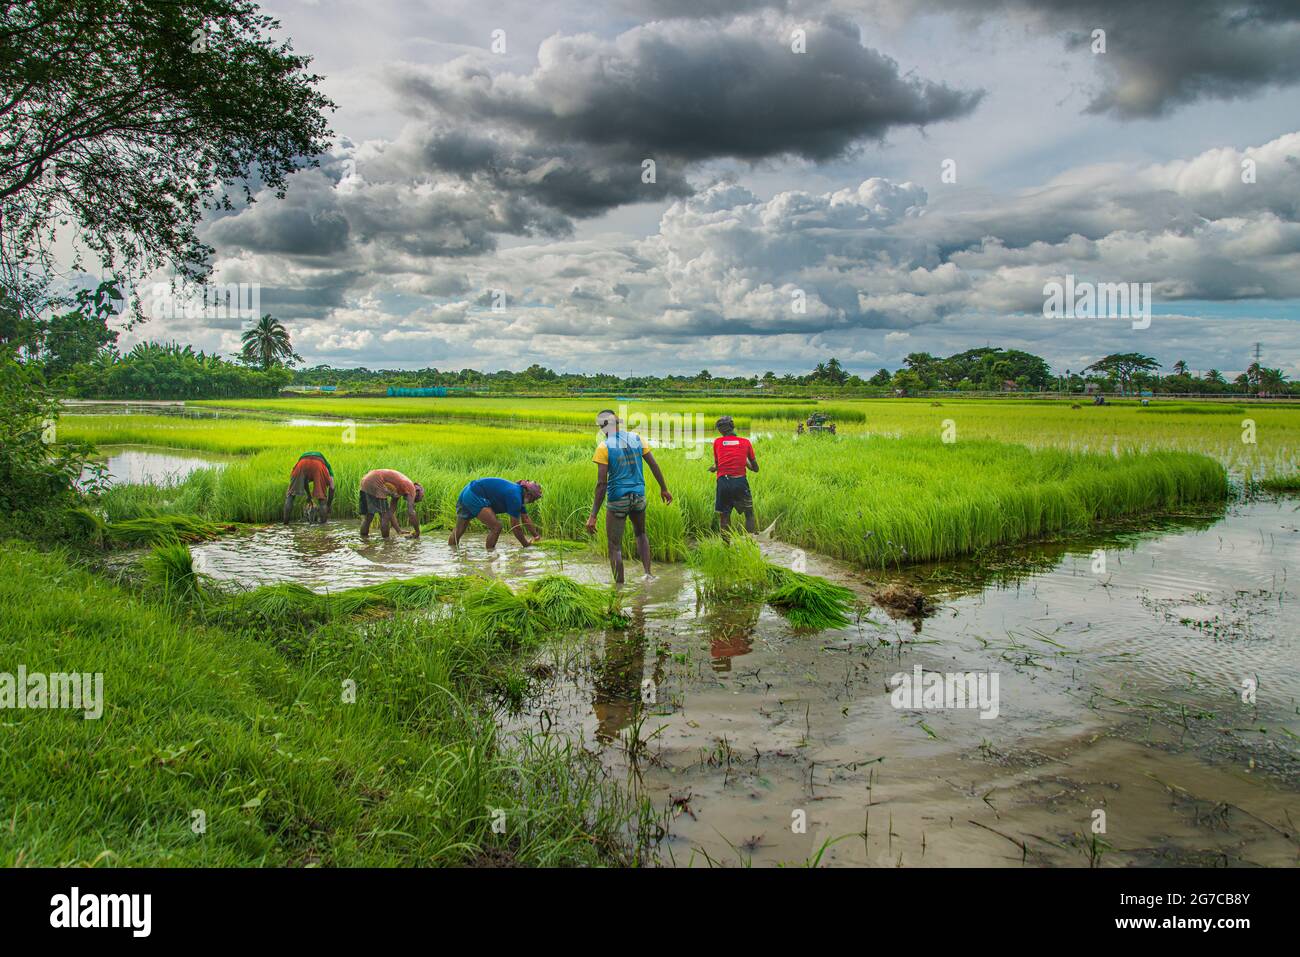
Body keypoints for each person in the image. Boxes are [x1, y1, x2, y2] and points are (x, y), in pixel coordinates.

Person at [584, 409, 672, 584]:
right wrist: (664, 488)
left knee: (614, 546)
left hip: (618, 499)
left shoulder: (604, 447)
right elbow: (654, 465)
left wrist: (593, 515)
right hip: (639, 497)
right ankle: (648, 574)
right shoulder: (637, 438)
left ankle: (619, 588)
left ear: (603, 427)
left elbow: (602, 484)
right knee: (641, 534)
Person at [447, 478, 543, 551]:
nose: (533, 502)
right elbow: (515, 527)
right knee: (496, 527)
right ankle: (490, 556)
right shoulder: (515, 497)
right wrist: (526, 545)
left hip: (468, 491)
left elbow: (525, 518)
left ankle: (451, 552)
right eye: (534, 499)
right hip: (474, 495)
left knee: (459, 529)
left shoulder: (517, 494)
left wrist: (536, 536)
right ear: (529, 495)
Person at [709, 415, 758, 537]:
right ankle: (749, 543)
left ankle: (726, 547)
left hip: (723, 482)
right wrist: (745, 461)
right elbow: (755, 468)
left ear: (720, 430)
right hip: (740, 482)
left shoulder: (717, 442)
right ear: (733, 426)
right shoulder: (746, 442)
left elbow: (718, 464)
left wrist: (714, 468)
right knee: (749, 514)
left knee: (724, 516)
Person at [358, 468, 423, 540]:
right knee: (384, 517)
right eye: (414, 499)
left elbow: (391, 511)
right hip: (376, 481)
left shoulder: (400, 487)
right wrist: (417, 531)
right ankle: (386, 542)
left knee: (368, 517)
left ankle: (363, 539)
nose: (410, 499)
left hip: (365, 480)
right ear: (417, 492)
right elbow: (411, 512)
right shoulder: (412, 489)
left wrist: (399, 530)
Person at [283, 451, 335, 524]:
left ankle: (285, 524)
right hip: (318, 464)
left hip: (301, 463)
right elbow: (332, 487)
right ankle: (324, 527)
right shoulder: (328, 467)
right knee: (322, 499)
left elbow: (305, 481)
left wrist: (309, 496)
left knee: (290, 495)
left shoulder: (303, 460)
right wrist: (328, 505)